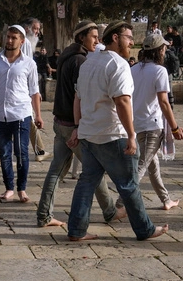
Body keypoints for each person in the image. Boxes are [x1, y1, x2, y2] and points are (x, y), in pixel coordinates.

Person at [66, 21, 169, 242]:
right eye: (128, 37)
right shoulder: (118, 65)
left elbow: (78, 98)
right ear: (115, 38)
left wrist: (77, 127)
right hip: (112, 134)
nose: (132, 42)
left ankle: (76, 229)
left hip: (89, 135)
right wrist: (132, 135)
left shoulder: (89, 64)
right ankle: (144, 229)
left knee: (87, 182)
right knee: (129, 185)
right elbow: (122, 101)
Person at [35, 21, 124, 229]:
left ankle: (43, 214)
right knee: (94, 169)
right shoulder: (79, 61)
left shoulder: (69, 56)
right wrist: (79, 126)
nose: (97, 40)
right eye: (93, 36)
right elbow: (80, 97)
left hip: (61, 122)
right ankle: (110, 211)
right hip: (72, 126)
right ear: (82, 37)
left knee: (56, 172)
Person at [0, 25, 43, 204]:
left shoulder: (29, 63)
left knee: (21, 153)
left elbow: (34, 91)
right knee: (4, 153)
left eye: (14, 37)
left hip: (21, 113)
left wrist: (38, 115)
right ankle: (9, 188)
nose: (10, 40)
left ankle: (22, 188)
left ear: (22, 41)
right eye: (8, 37)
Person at [120, 33, 183, 211]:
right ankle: (120, 204)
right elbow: (164, 102)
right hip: (151, 125)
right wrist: (175, 127)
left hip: (135, 124)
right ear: (159, 50)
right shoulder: (159, 71)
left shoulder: (132, 69)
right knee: (141, 167)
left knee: (152, 165)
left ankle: (166, 200)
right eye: (163, 48)